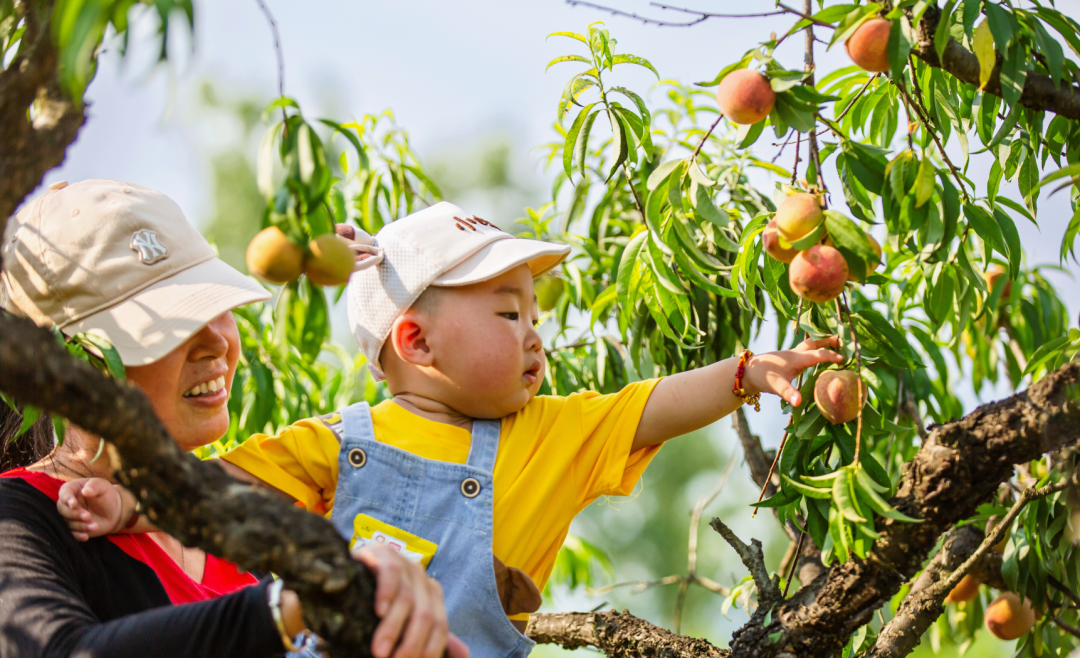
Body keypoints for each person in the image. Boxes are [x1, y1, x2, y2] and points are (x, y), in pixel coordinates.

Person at [65, 201, 843, 657]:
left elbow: (655, 401)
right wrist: (131, 504)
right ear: (416, 343)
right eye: (509, 315)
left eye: (535, 315)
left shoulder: (549, 433)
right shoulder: (334, 441)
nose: (536, 336)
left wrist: (743, 376)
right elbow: (214, 492)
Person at [0, 179, 465, 658]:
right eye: (170, 325)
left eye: (216, 305)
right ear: (71, 365)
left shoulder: (237, 522)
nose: (219, 342)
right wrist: (284, 608)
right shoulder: (20, 518)